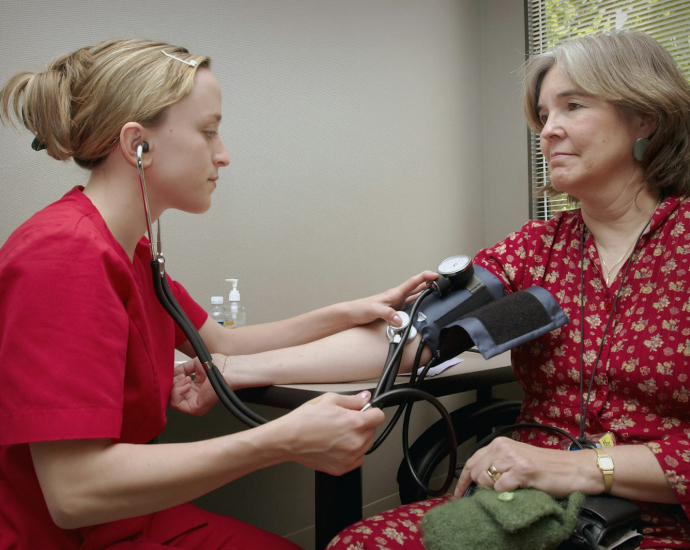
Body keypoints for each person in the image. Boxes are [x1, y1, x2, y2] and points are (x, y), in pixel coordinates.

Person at [0, 39, 439, 549]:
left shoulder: (125, 250)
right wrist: (278, 441)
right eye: (208, 132)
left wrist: (347, 311)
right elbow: (73, 493)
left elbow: (223, 344)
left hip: (133, 520)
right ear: (137, 144)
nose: (223, 155)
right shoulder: (63, 254)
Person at [327, 29, 690, 550]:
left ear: (644, 118)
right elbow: (416, 339)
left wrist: (582, 468)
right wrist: (236, 367)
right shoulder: (538, 249)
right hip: (520, 505)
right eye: (543, 116)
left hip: (654, 521)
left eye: (573, 106)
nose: (548, 131)